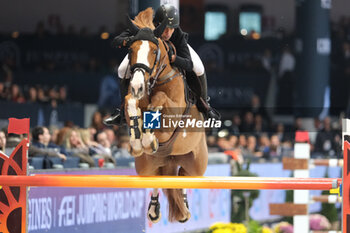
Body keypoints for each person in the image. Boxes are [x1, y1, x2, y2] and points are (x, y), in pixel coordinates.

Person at [104, 4, 220, 126]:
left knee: (199, 67)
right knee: (122, 70)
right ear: (157, 24)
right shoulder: (146, 27)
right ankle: (122, 111)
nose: (168, 32)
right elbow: (116, 41)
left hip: (175, 54)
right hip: (147, 54)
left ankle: (205, 106)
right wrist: (131, 40)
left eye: (172, 28)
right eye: (165, 28)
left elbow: (189, 64)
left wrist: (175, 59)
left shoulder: (177, 35)